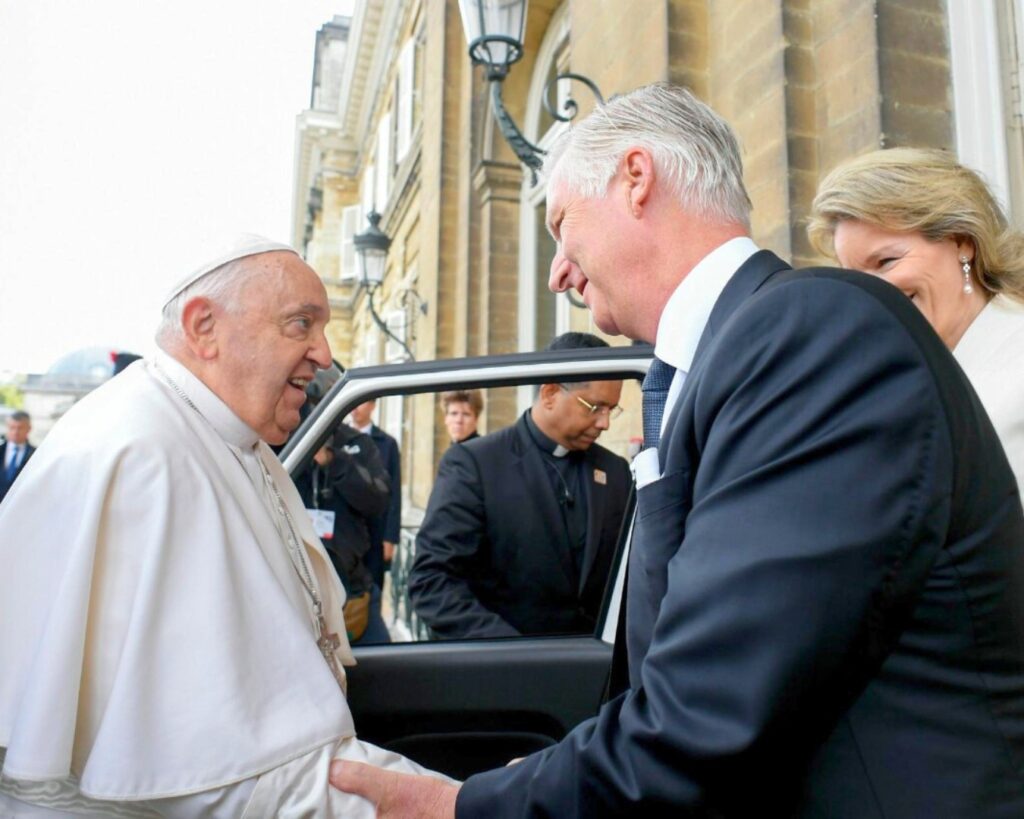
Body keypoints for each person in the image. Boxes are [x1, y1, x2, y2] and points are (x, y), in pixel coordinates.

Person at [332, 84, 1024, 817]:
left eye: (562, 224)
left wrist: (467, 804)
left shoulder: (809, 334)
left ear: (637, 178)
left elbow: (709, 707)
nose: (555, 272)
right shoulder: (729, 358)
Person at [0, 234, 444, 816]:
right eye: (300, 324)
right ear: (203, 326)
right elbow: (232, 773)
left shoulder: (228, 438)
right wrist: (461, 805)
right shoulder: (146, 453)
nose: (324, 353)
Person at [808, 147, 1024, 490]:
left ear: (962, 242)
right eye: (856, 276)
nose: (870, 293)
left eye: (886, 262)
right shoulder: (885, 384)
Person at [409, 332, 631, 639]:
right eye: (595, 408)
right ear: (550, 393)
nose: (605, 423)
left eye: (611, 409)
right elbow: (432, 582)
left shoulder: (614, 471)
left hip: (597, 670)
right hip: (508, 671)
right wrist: (511, 649)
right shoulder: (475, 464)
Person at [297, 423, 393, 645]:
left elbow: (378, 501)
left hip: (352, 586)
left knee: (384, 668)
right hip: (298, 587)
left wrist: (334, 461)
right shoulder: (282, 439)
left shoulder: (357, 443)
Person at [349, 398, 401, 631]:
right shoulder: (337, 439)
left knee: (374, 590)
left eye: (361, 403)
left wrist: (391, 537)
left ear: (372, 405)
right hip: (347, 531)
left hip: (376, 532)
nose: (356, 409)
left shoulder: (387, 444)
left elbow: (395, 492)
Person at [0, 411, 34, 503]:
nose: (15, 432)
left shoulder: (36, 455)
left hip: (22, 508)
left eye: (20, 428)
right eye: (12, 428)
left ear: (29, 429)